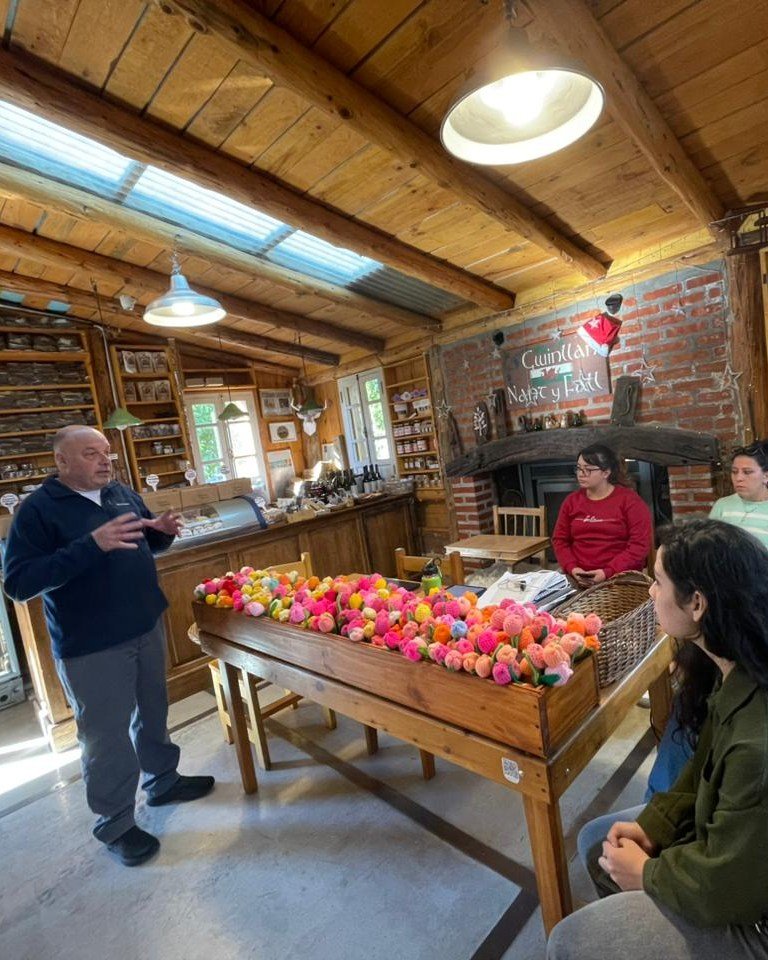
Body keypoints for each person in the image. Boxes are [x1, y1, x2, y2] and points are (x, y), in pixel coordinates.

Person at [549, 519, 768, 960]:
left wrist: (648, 873)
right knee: (596, 842)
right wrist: (656, 825)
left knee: (569, 941)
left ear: (697, 603)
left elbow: (730, 884)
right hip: (729, 860)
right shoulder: (731, 669)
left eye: (659, 581)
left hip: (753, 918)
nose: (650, 592)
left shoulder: (756, 743)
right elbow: (700, 773)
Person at [2, 425, 214, 867]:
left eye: (107, 452)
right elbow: (19, 584)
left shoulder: (120, 493)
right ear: (61, 461)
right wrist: (91, 546)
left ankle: (163, 781)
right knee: (105, 736)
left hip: (144, 624)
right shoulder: (37, 510)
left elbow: (143, 543)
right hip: (91, 644)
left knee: (153, 711)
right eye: (91, 453)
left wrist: (161, 532)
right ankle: (115, 824)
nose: (105, 461)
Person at [552, 443, 652, 589]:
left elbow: (639, 546)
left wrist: (607, 572)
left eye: (588, 469)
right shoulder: (571, 501)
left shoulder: (630, 501)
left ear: (606, 473)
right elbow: (560, 540)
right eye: (579, 468)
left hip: (620, 577)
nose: (581, 474)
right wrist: (572, 568)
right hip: (577, 576)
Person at [710, 439, 768, 547]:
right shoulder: (722, 505)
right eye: (734, 472)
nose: (738, 478)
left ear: (766, 476)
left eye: (747, 472)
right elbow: (710, 545)